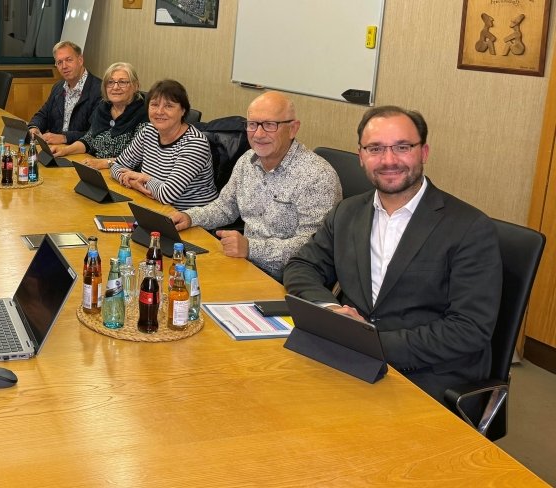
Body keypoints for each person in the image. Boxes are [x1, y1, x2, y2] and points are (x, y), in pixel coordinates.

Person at [283, 106, 502, 403]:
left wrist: (369, 342)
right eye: (375, 148)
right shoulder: (348, 212)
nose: (388, 160)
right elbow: (302, 266)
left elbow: (469, 329)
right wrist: (332, 312)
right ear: (361, 156)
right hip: (349, 358)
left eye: (402, 147)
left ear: (423, 152)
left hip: (426, 375)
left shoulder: (469, 228)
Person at [170, 91, 341, 280]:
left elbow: (311, 247)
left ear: (293, 129)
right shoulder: (247, 161)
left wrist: (251, 248)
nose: (258, 134)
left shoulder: (317, 175)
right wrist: (190, 217)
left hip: (286, 279)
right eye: (252, 125)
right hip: (242, 264)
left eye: (269, 125)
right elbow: (225, 207)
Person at [109, 79, 217, 210]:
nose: (159, 111)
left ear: (183, 110)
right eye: (154, 105)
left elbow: (167, 195)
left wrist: (143, 178)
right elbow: (116, 165)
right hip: (153, 208)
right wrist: (133, 182)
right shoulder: (148, 131)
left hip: (190, 220)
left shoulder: (194, 143)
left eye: (169, 106)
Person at [51, 61, 148, 170]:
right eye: (110, 82)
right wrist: (65, 150)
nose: (115, 87)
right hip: (96, 169)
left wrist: (103, 163)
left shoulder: (143, 114)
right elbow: (89, 140)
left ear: (135, 86)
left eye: (122, 82)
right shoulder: (104, 107)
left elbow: (137, 158)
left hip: (123, 175)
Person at [27, 41, 102, 145]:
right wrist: (34, 127)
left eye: (69, 60)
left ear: (80, 60)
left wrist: (64, 138)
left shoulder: (99, 90)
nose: (64, 66)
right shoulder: (58, 87)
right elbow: (43, 115)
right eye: (59, 62)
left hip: (81, 153)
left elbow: (97, 133)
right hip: (55, 149)